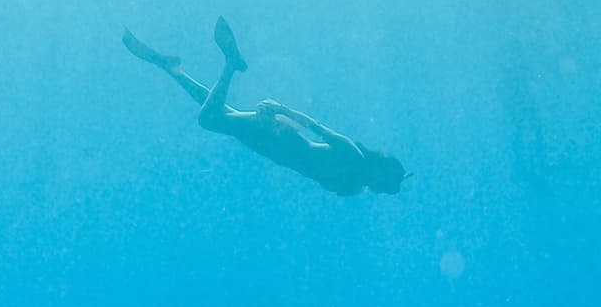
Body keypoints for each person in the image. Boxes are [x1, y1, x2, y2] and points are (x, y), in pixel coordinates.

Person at [123, 18, 407, 198]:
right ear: (380, 167)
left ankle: (172, 68)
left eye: (388, 188)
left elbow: (327, 177)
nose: (384, 188)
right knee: (210, 119)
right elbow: (315, 127)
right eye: (387, 180)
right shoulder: (353, 156)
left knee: (219, 112)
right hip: (280, 137)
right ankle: (231, 63)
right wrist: (281, 110)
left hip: (274, 148)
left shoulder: (352, 187)